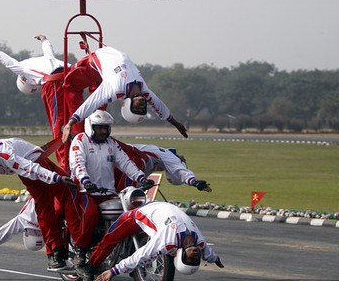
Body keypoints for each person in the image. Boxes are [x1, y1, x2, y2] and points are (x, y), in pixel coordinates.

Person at [0, 137, 76, 271]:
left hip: (34, 168)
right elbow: (4, 232)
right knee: (70, 193)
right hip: (37, 166)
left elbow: (30, 168)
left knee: (49, 210)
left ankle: (56, 254)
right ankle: (65, 250)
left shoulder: (5, 155)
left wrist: (55, 178)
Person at [0, 35, 76, 170]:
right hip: (72, 75)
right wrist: (44, 40)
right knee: (76, 119)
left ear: (25, 82)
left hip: (55, 81)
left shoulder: (22, 69)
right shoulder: (43, 60)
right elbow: (49, 50)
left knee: (57, 125)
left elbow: (2, 58)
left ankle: (66, 165)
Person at [68, 110, 155, 266]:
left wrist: (141, 177)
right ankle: (80, 252)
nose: (103, 131)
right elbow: (77, 163)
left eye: (106, 128)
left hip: (108, 192)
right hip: (85, 191)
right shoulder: (80, 140)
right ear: (90, 127)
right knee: (90, 214)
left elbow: (126, 163)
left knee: (129, 213)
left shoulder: (111, 144)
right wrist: (85, 180)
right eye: (99, 127)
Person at [61, 46, 188, 143]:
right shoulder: (144, 90)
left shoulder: (115, 90)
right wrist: (176, 123)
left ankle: (78, 134)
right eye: (143, 109)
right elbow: (159, 106)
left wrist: (70, 123)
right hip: (108, 53)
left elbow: (91, 103)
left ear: (127, 105)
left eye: (137, 108)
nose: (142, 105)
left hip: (92, 64)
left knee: (68, 85)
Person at [77, 202, 224, 281]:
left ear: (180, 255)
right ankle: (90, 266)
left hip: (164, 209)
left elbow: (141, 256)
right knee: (110, 237)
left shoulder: (169, 243)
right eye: (196, 259)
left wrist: (113, 271)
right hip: (143, 212)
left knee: (112, 237)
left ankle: (89, 267)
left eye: (191, 259)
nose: (195, 255)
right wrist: (216, 259)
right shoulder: (194, 243)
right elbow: (209, 255)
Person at [114, 142, 212, 192]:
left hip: (120, 158)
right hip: (132, 158)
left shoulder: (160, 158)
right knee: (125, 195)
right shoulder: (172, 158)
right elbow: (181, 172)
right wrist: (194, 182)